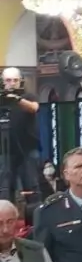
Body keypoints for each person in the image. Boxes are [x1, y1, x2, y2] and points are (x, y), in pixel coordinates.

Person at [0, 67, 40, 202]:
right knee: (5, 186)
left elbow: (34, 108)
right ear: (2, 81)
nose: (12, 83)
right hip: (4, 150)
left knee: (31, 183)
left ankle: (33, 212)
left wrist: (17, 99)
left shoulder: (28, 96)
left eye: (15, 80)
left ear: (20, 81)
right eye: (8, 80)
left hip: (28, 148)